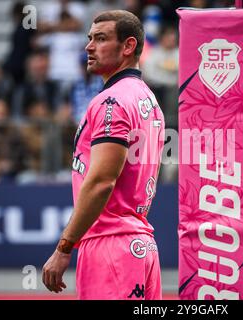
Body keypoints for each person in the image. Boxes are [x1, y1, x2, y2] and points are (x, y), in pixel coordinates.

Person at [42, 10, 165, 300]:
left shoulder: (110, 100)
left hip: (111, 247)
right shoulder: (148, 99)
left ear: (128, 46)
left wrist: (64, 247)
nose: (89, 46)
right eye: (89, 38)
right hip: (141, 245)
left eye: (100, 38)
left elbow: (101, 182)